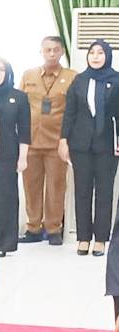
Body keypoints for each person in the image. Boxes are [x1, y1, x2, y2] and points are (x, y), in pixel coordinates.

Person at [61, 39, 119, 257]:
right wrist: (63, 140)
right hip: (81, 144)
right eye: (92, 52)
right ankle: (83, 238)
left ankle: (101, 239)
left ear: (108, 56)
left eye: (100, 53)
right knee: (82, 191)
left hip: (108, 145)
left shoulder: (116, 80)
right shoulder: (79, 80)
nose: (95, 56)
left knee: (104, 193)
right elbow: (70, 113)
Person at [20, 36, 77, 246]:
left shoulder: (72, 77)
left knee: (56, 186)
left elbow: (74, 110)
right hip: (31, 141)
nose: (51, 54)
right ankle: (33, 228)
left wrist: (68, 140)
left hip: (57, 142)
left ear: (62, 51)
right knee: (31, 186)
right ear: (41, 51)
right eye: (47, 50)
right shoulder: (28, 75)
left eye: (55, 50)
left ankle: (53, 228)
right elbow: (20, 107)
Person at [0, 58, 30, 257]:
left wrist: (23, 157)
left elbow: (25, 130)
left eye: (1, 70)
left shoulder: (18, 97)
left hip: (8, 153)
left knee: (5, 197)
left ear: (8, 73)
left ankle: (3, 243)